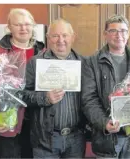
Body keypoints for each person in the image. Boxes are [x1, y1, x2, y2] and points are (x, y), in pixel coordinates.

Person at [81, 15, 130, 158]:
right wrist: (104, 123)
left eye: (123, 31)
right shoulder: (92, 62)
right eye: (113, 31)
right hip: (107, 139)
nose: (119, 35)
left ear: (128, 33)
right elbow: (88, 99)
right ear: (105, 34)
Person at [0, 8, 45, 158]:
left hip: (37, 123)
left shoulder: (43, 51)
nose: (23, 28)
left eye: (27, 24)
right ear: (9, 27)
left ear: (33, 26)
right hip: (6, 121)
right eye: (17, 25)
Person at [22, 19, 86, 158]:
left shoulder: (84, 64)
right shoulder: (35, 63)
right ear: (48, 38)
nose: (60, 40)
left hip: (76, 138)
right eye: (55, 36)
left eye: (65, 35)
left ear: (73, 37)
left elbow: (90, 98)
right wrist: (44, 98)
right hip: (44, 140)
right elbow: (23, 96)